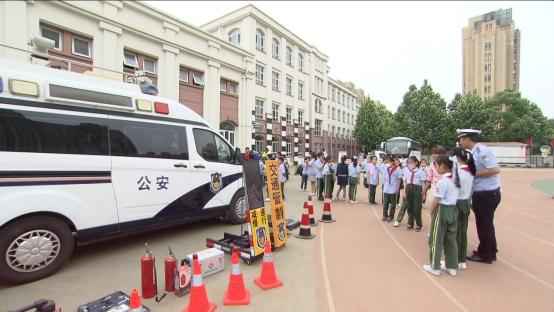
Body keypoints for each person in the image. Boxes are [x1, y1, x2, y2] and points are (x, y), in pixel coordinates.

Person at [457, 129, 501, 264]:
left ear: (467, 139)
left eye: (460, 139)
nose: (459, 142)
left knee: (484, 224)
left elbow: (494, 169)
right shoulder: (474, 152)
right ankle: (490, 250)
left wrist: (473, 173)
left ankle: (485, 254)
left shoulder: (482, 150)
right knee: (485, 224)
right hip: (482, 193)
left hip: (486, 194)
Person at [423, 155, 459, 277]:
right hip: (453, 210)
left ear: (443, 166)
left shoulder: (442, 182)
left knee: (436, 239)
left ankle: (435, 266)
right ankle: (452, 266)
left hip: (442, 210)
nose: (435, 168)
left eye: (436, 166)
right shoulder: (456, 180)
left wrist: (431, 211)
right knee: (451, 239)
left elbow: (437, 199)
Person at [452, 147, 475, 270]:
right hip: (466, 202)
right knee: (462, 232)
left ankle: (453, 258)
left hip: (456, 203)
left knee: (453, 232)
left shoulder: (458, 173)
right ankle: (461, 259)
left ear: (457, 158)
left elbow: (454, 189)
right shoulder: (471, 172)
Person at [394, 156, 427, 231]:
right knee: (409, 207)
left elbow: (423, 184)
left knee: (417, 208)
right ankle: (410, 223)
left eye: (411, 162)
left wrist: (424, 194)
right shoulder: (406, 170)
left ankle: (418, 224)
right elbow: (405, 182)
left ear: (416, 163)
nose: (410, 164)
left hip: (417, 189)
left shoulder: (421, 172)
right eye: (408, 163)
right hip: (408, 188)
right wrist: (404, 192)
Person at [382, 156, 403, 221]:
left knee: (393, 204)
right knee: (385, 204)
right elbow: (384, 178)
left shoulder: (398, 169)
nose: (389, 163)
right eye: (388, 162)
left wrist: (397, 188)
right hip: (386, 188)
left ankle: (391, 216)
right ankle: (384, 215)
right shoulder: (386, 168)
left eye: (390, 162)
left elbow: (399, 179)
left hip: (393, 189)